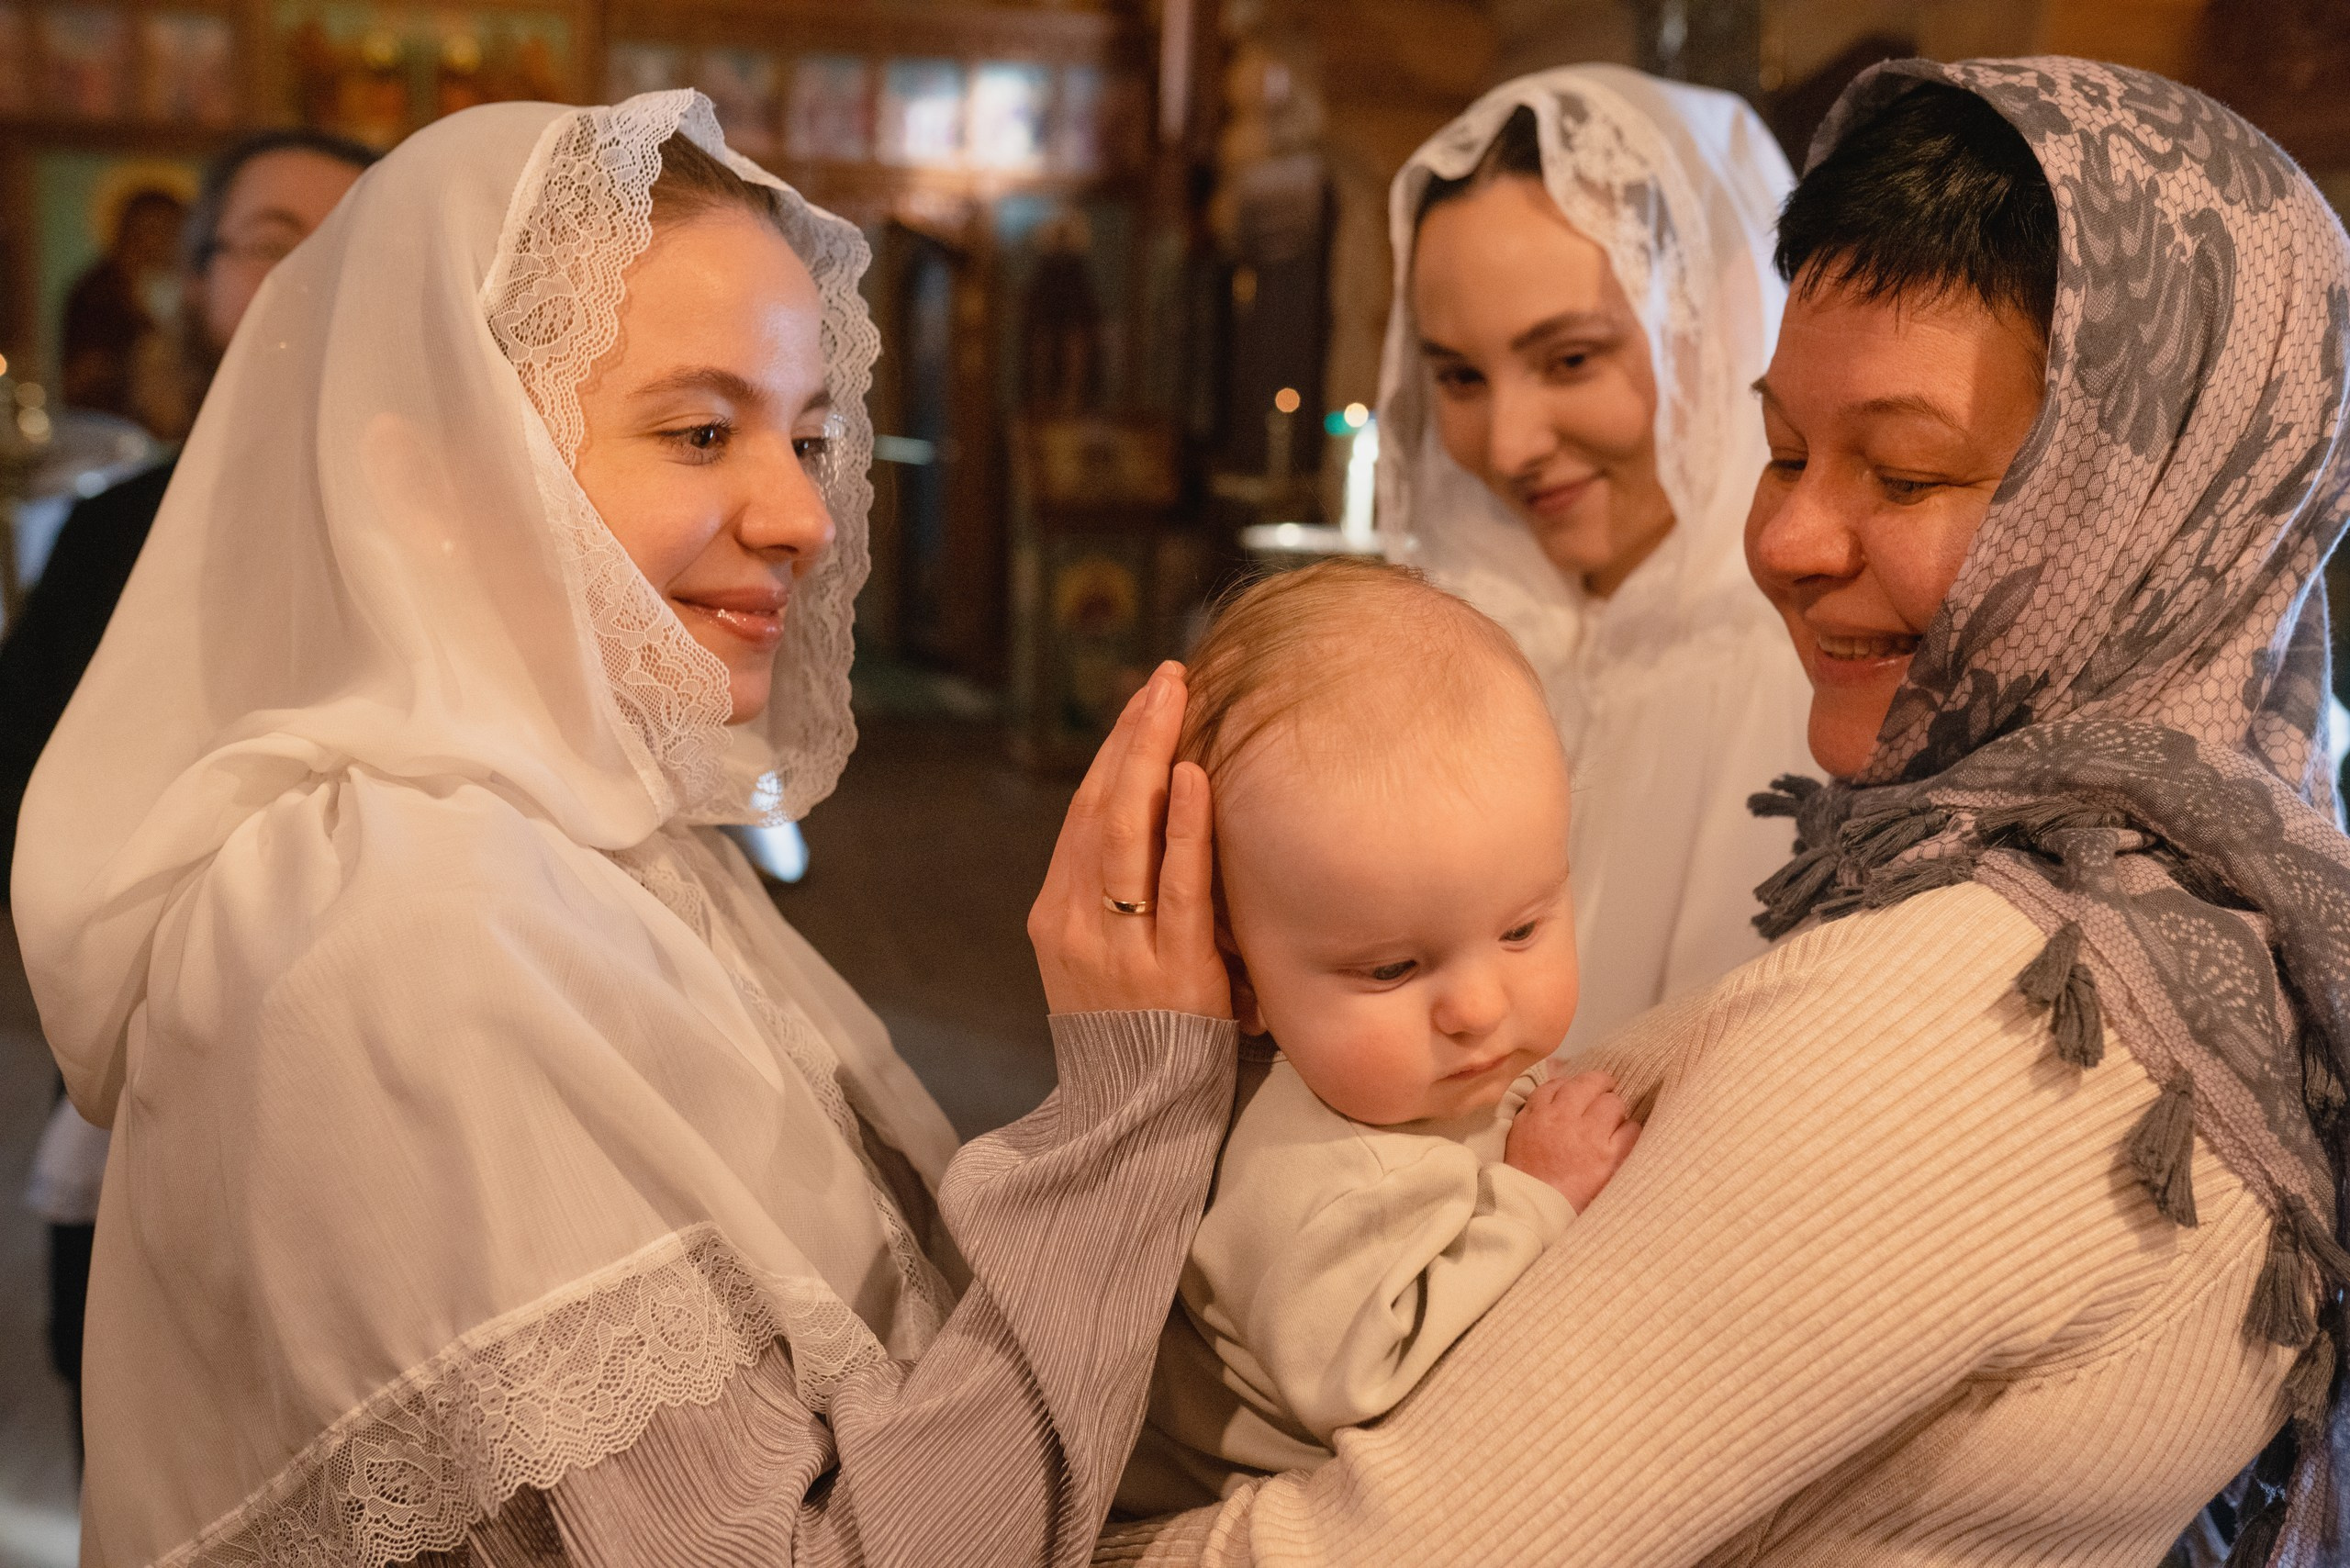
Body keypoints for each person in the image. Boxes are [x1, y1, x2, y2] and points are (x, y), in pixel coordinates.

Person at [1098, 59, 2348, 1567]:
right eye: (1780, 449)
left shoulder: (2005, 1005)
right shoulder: (2220, 897)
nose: (1788, 536)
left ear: (2157, 505)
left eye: (1901, 468)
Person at [16, 93, 1237, 1565]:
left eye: (809, 436)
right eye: (702, 429)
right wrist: (1129, 1111)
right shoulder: (402, 920)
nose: (802, 517)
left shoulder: (588, 835)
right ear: (430, 482)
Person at [1114, 562, 1639, 1516]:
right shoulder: (1314, 1178)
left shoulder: (1407, 1081)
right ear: (1244, 979)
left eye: (1521, 928)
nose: (1477, 1007)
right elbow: (1379, 1390)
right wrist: (1537, 1194)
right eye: (1393, 969)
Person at [6, 126, 375, 1467]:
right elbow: (25, 797)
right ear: (202, 284)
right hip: (149, 1089)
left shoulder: (457, 528)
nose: (319, 272)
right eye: (276, 240)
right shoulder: (113, 536)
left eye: (360, 239)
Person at [1379, 67, 1817, 1048]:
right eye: (1458, 376)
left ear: (1723, 327)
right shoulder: (1482, 646)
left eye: (1569, 358)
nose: (1507, 446)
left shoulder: (1795, 682)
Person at [59, 186, 186, 432]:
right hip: (109, 431)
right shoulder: (97, 293)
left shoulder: (187, 289)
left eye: (170, 231)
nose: (160, 241)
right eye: (150, 230)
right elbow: (80, 377)